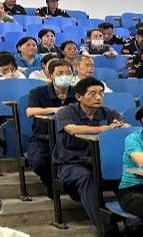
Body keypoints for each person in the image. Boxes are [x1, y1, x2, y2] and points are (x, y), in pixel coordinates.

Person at [54, 78, 128, 228]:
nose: (98, 97)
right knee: (86, 177)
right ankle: (105, 228)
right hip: (71, 163)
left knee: (125, 175)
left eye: (101, 93)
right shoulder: (66, 112)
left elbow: (122, 128)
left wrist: (122, 126)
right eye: (92, 93)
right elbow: (71, 129)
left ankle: (135, 224)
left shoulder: (110, 113)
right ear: (79, 96)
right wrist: (104, 129)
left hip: (100, 162)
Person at [25, 60, 76, 190]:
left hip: (72, 138)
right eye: (60, 73)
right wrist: (56, 110)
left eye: (68, 73)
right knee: (40, 162)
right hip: (43, 138)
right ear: (51, 75)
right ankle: (52, 186)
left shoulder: (78, 93)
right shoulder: (38, 92)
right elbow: (30, 111)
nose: (65, 76)